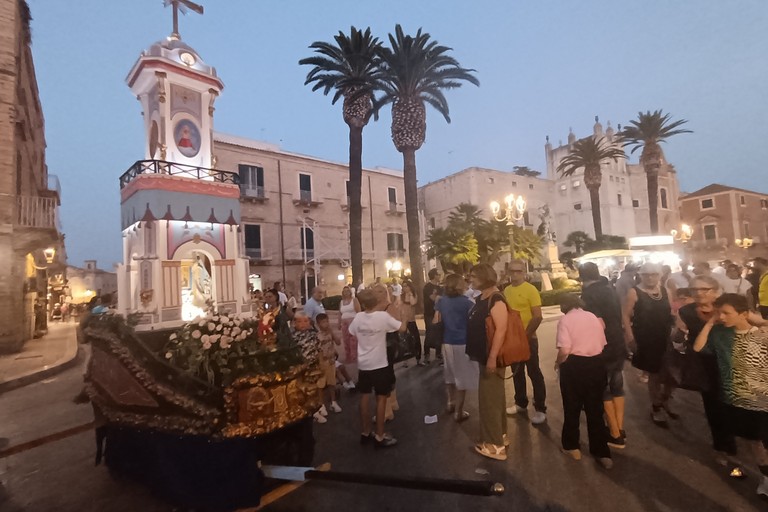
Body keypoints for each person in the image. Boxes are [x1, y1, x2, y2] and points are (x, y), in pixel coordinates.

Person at [693, 294, 768, 498]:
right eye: (719, 313)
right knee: (752, 441)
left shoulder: (762, 334)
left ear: (743, 314)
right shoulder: (719, 333)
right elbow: (697, 347)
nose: (722, 317)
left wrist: (761, 321)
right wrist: (709, 324)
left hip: (762, 398)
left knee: (761, 441)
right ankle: (765, 479)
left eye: (726, 313)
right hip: (735, 398)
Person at [555, 294, 613, 469]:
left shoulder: (565, 320)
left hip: (574, 366)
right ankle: (601, 452)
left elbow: (565, 350)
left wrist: (557, 363)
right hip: (596, 365)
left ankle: (572, 447)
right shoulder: (593, 317)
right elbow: (602, 343)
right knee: (595, 410)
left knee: (572, 407)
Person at [349, 289, 406, 448]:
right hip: (379, 364)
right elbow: (401, 328)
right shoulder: (382, 317)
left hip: (364, 363)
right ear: (377, 302)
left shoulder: (359, 317)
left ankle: (365, 432)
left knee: (364, 397)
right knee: (381, 398)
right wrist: (403, 315)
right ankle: (380, 435)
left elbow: (351, 331)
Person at [579, 262, 627, 448]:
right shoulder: (610, 289)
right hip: (617, 343)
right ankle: (620, 428)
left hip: (602, 345)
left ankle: (614, 434)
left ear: (581, 276)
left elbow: (597, 323)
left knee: (603, 388)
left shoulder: (589, 295)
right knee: (617, 385)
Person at [622, 262, 675, 427]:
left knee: (671, 375)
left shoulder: (666, 291)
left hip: (666, 338)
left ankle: (664, 399)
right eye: (646, 275)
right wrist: (630, 338)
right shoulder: (634, 292)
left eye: (654, 274)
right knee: (654, 374)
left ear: (659, 275)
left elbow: (672, 313)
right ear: (641, 276)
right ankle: (656, 407)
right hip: (647, 339)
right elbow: (624, 315)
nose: (650, 278)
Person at [466, 264, 509, 461]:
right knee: (495, 398)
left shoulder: (496, 299)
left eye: (474, 276)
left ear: (484, 277)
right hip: (484, 355)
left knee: (489, 401)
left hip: (491, 357)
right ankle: (500, 435)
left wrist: (492, 357)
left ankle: (494, 447)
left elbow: (501, 329)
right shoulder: (484, 297)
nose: (470, 279)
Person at [503, 259, 547, 425]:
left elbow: (537, 316)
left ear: (524, 272)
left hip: (529, 339)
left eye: (518, 271)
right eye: (512, 271)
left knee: (534, 373)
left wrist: (526, 335)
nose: (515, 274)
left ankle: (540, 408)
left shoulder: (531, 290)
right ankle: (521, 402)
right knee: (517, 372)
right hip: (512, 340)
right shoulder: (506, 290)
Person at [434, 273, 477, 422]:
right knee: (462, 377)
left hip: (447, 341)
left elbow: (436, 320)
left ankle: (450, 402)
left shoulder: (441, 301)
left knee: (449, 374)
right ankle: (459, 411)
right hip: (462, 341)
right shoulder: (468, 302)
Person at [291, 313, 326, 424]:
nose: (303, 324)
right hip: (301, 367)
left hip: (313, 365)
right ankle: (311, 412)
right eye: (300, 321)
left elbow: (319, 349)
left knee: (316, 386)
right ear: (294, 323)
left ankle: (319, 405)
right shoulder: (293, 337)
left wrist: (322, 363)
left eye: (306, 321)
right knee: (304, 389)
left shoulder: (313, 334)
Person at [315, 313, 343, 414]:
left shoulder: (330, 333)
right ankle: (321, 405)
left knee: (332, 382)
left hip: (331, 361)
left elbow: (338, 342)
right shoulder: (317, 336)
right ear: (318, 324)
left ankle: (333, 402)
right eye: (323, 322)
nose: (326, 324)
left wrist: (332, 332)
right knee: (321, 384)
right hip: (322, 363)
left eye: (327, 321)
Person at [423, 268, 444, 365]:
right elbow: (433, 299)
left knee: (439, 333)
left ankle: (438, 354)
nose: (440, 276)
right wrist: (439, 297)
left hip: (440, 313)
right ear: (434, 275)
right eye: (438, 274)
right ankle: (427, 355)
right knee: (430, 333)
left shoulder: (441, 288)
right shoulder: (428, 287)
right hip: (430, 313)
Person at [400, 281, 423, 365]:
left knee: (416, 338)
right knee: (404, 339)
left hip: (411, 319)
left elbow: (413, 302)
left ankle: (418, 358)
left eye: (406, 286)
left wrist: (410, 294)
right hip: (403, 319)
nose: (405, 288)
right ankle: (404, 360)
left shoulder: (413, 294)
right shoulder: (401, 296)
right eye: (403, 286)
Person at [339, 286, 361, 364]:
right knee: (346, 340)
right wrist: (339, 323)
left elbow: (358, 311)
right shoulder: (341, 302)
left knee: (353, 340)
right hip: (344, 322)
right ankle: (347, 356)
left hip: (353, 321)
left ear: (350, 292)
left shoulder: (354, 300)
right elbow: (340, 313)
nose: (346, 292)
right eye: (344, 291)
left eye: (347, 291)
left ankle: (354, 356)